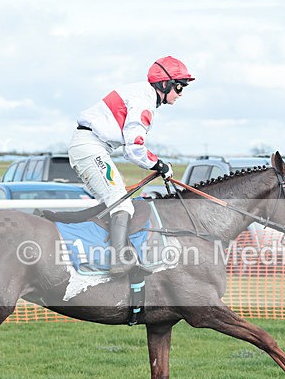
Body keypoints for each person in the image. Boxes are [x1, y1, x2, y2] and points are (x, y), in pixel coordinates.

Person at [68, 56, 195, 275]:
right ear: (164, 84)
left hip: (92, 147)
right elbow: (134, 149)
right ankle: (118, 262)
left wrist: (156, 164)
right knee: (121, 204)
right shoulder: (143, 103)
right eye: (179, 87)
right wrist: (159, 165)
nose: (181, 93)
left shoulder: (141, 94)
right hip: (90, 148)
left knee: (117, 202)